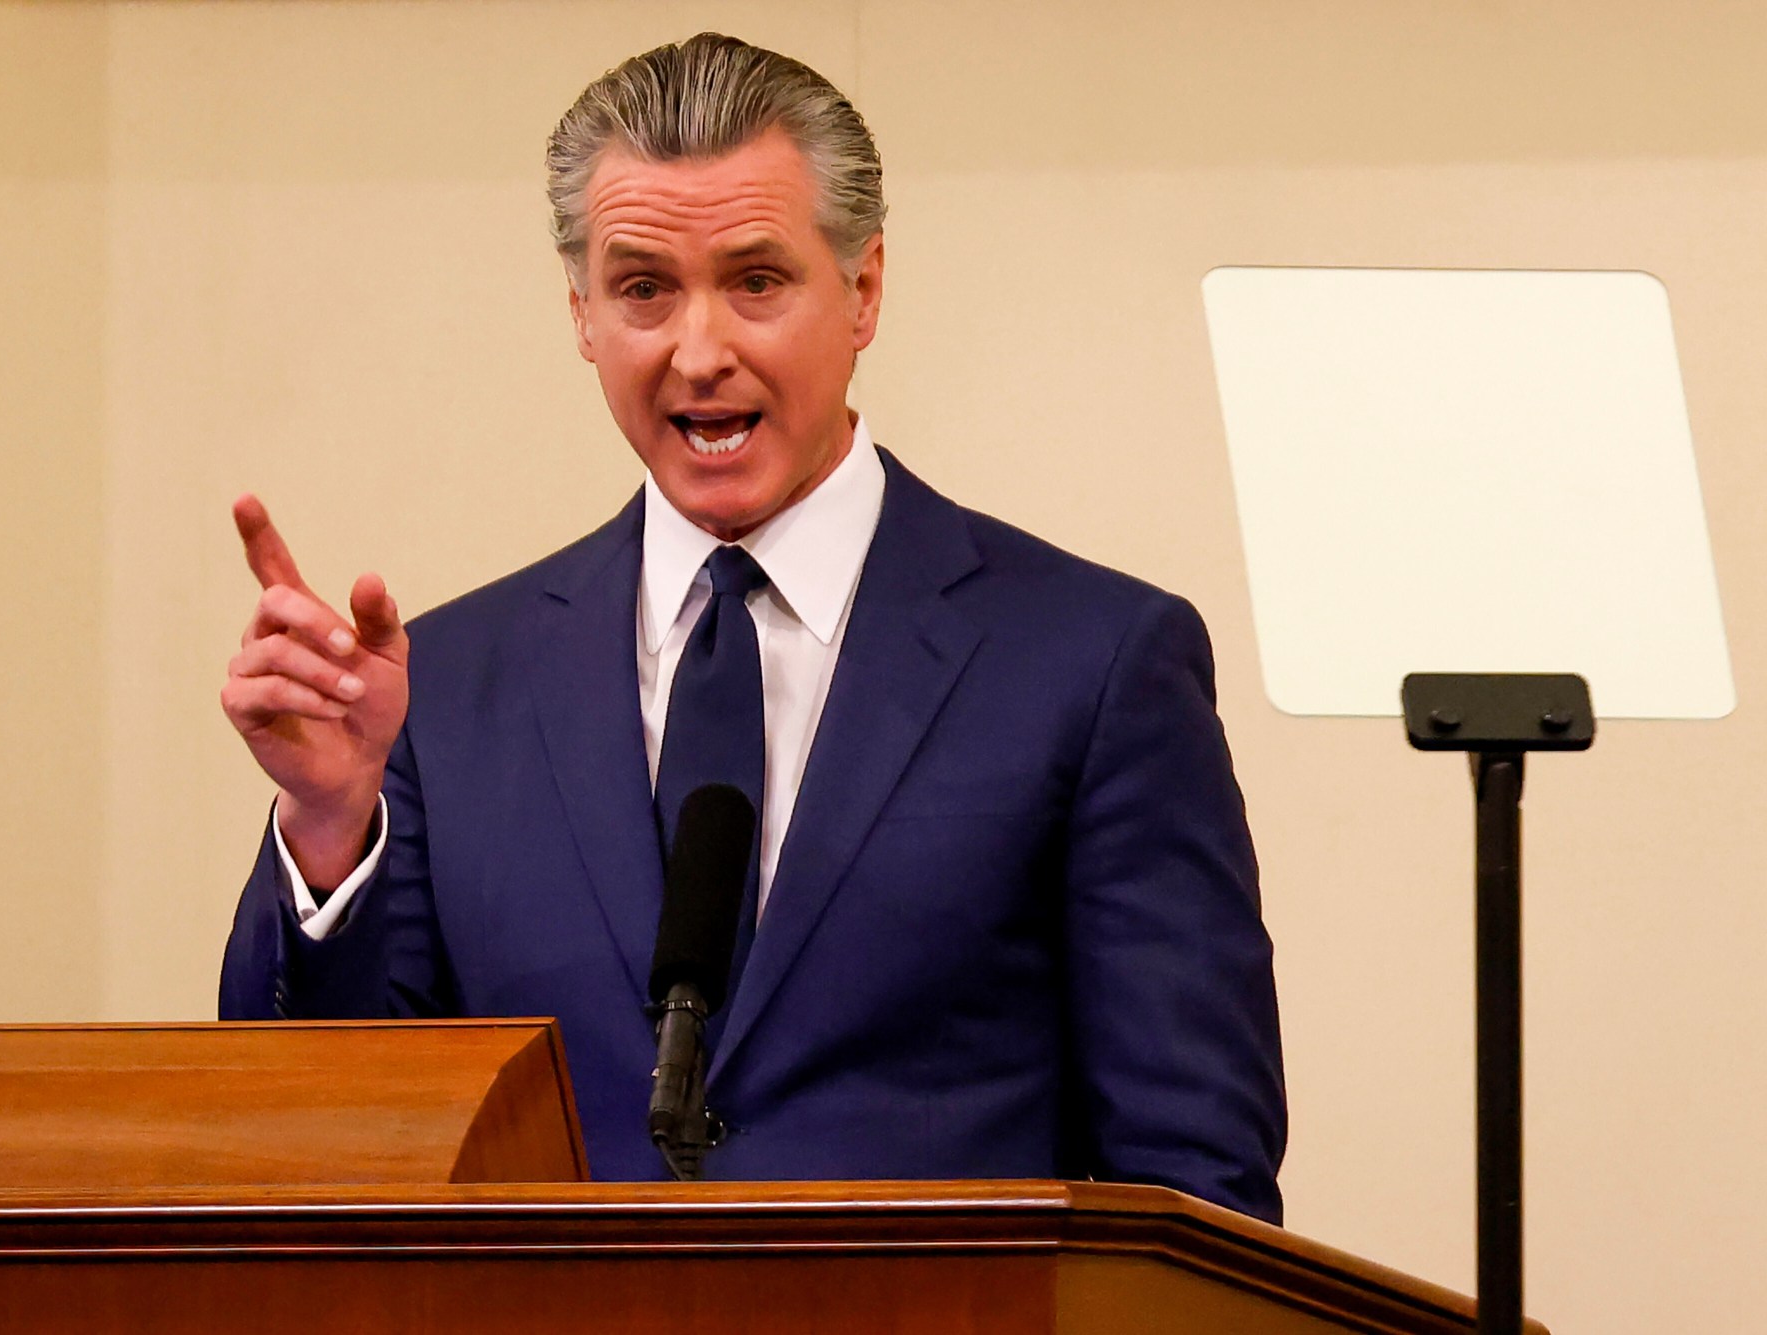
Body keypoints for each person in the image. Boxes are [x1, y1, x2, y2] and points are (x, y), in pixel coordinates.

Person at [218, 33, 1286, 1222]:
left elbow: (1195, 1195)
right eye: (642, 290)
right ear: (580, 313)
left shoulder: (1088, 663)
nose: (699, 350)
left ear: (864, 288)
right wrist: (327, 827)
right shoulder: (445, 689)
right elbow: (325, 1145)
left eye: (756, 281)